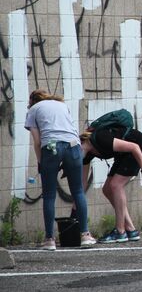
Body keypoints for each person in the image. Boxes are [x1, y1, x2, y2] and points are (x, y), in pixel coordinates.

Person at [24, 89, 96, 250]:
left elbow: (37, 141)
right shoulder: (61, 105)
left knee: (49, 195)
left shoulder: (33, 110)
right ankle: (85, 235)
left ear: (32, 101)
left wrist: (41, 161)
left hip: (51, 147)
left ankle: (49, 240)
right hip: (73, 146)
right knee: (78, 191)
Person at [80, 124, 142, 243]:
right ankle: (130, 229)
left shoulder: (100, 138)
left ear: (81, 143)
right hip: (123, 155)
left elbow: (134, 147)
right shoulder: (87, 155)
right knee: (107, 189)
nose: (76, 156)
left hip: (139, 148)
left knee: (116, 185)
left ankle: (120, 231)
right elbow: (82, 184)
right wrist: (76, 203)